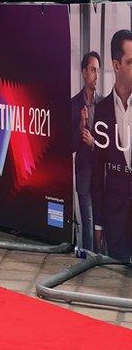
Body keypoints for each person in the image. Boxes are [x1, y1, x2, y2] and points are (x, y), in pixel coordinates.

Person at [92, 30, 132, 262]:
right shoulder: (103, 110)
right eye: (131, 62)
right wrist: (98, 223)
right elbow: (98, 173)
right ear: (116, 66)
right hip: (115, 217)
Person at [73, 51, 101, 252]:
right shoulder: (74, 104)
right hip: (83, 170)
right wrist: (80, 123)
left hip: (101, 173)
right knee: (87, 219)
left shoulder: (104, 104)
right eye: (92, 70)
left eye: (98, 71)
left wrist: (93, 142)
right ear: (84, 72)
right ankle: (88, 259)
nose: (96, 76)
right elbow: (70, 146)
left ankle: (99, 257)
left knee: (101, 221)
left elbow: (109, 144)